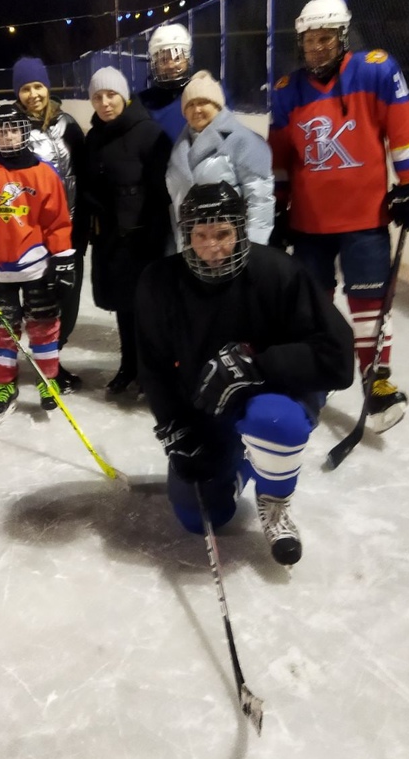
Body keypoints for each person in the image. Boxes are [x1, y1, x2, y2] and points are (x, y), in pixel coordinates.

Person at [136, 182, 354, 566]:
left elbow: (337, 358)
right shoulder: (159, 282)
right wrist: (175, 427)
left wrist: (258, 365)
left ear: (240, 230)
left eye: (222, 233)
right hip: (207, 405)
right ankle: (242, 465)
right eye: (200, 235)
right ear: (186, 234)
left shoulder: (278, 272)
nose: (213, 247)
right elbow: (153, 365)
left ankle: (274, 499)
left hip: (274, 396)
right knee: (199, 517)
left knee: (274, 421)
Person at [269, 0, 409, 433]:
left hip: (365, 218)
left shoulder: (376, 70)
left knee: (369, 305)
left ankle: (376, 384)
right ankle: (313, 379)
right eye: (310, 40)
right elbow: (279, 155)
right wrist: (278, 206)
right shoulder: (286, 91)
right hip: (309, 222)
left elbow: (402, 129)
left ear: (342, 38)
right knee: (312, 307)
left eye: (326, 38)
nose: (317, 47)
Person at [0, 105, 75, 423]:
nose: (8, 136)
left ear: (25, 131)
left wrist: (63, 259)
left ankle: (47, 380)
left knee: (44, 326)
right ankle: (5, 385)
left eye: (13, 129)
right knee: (2, 331)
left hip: (37, 266)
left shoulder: (44, 172)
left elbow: (57, 223)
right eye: (1, 130)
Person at [84, 66, 172, 394]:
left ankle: (151, 373)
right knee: (123, 307)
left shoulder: (149, 132)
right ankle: (128, 366)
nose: (105, 103)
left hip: (143, 239)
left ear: (125, 96)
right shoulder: (94, 137)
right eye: (97, 97)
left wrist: (154, 236)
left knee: (148, 311)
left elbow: (160, 191)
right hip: (111, 240)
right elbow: (90, 187)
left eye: (111, 95)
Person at [10, 57, 88, 393]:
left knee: (67, 301)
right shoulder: (9, 128)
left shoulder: (68, 124)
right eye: (25, 89)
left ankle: (52, 359)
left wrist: (84, 225)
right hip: (31, 235)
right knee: (40, 305)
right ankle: (42, 367)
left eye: (37, 86)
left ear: (47, 87)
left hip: (69, 231)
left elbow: (84, 175)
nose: (33, 94)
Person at [166, 69, 274, 248]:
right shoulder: (180, 147)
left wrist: (255, 246)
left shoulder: (242, 141)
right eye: (190, 105)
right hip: (194, 248)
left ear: (217, 105)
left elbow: (259, 199)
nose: (197, 110)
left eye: (203, 102)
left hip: (230, 246)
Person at [134, 22, 193, 143]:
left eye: (177, 58)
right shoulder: (143, 102)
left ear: (187, 59)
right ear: (154, 63)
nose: (171, 65)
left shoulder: (203, 95)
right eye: (164, 60)